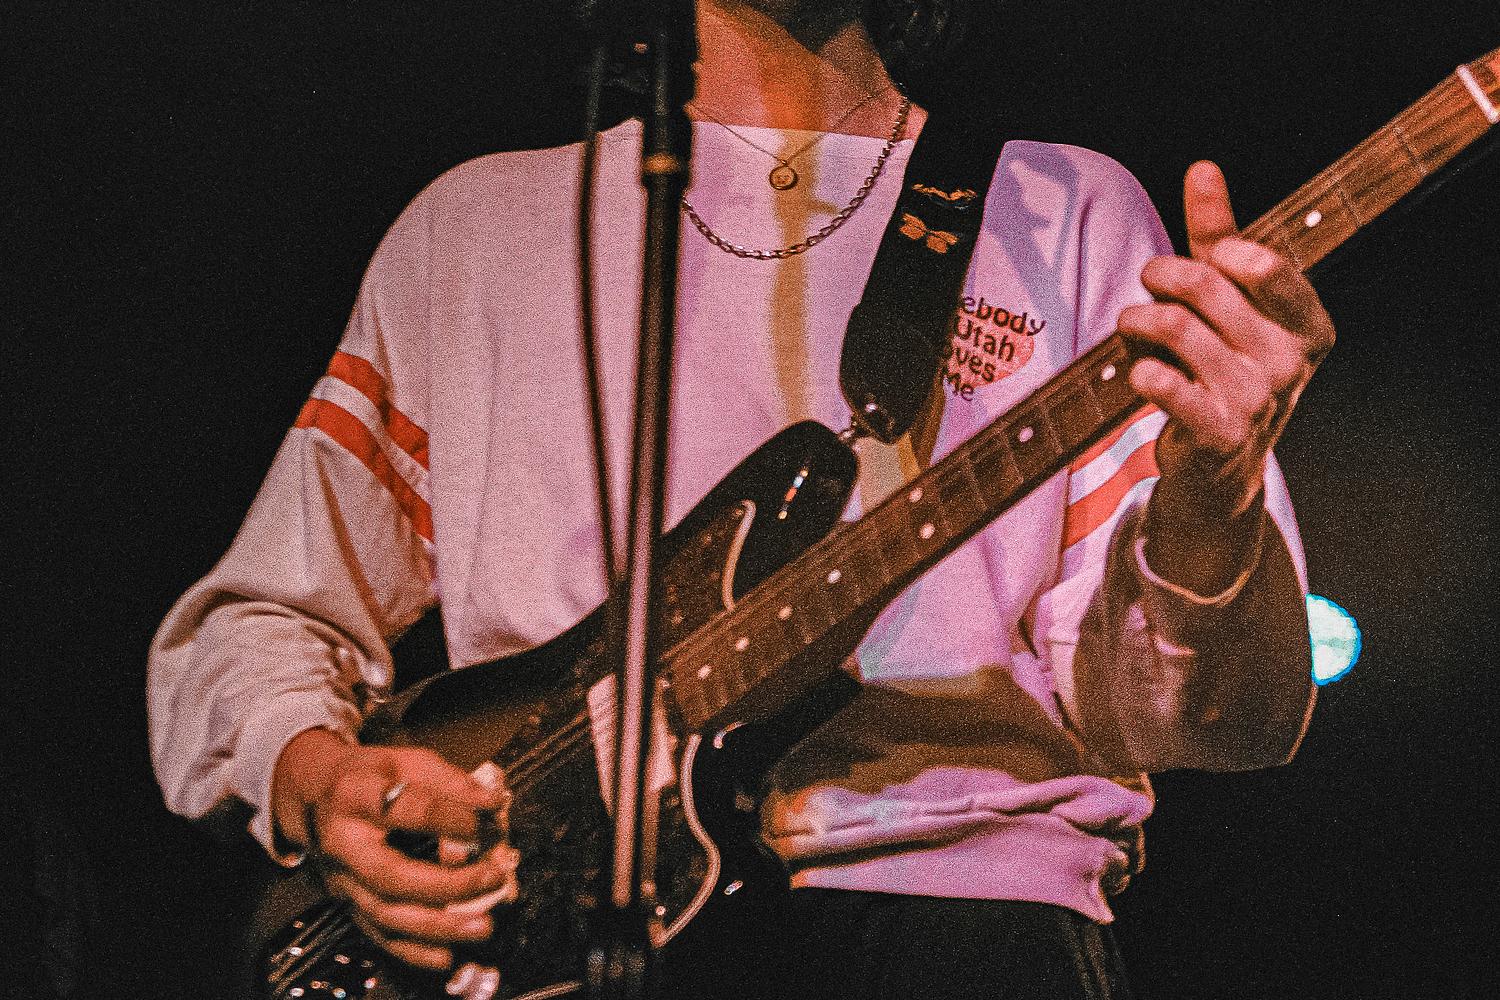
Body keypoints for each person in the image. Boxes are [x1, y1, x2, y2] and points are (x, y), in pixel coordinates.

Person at [148, 2, 1334, 996]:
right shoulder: (471, 231)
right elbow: (258, 621)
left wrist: (1215, 493)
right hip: (546, 934)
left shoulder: (1059, 211)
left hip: (956, 927)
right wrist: (319, 778)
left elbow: (1219, 721)